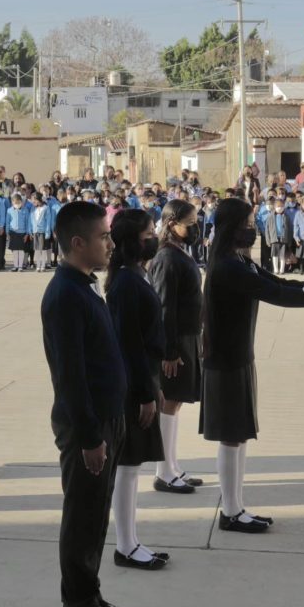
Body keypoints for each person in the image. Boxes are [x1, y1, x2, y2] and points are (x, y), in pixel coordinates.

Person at [202, 199, 304, 535]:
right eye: (248, 222)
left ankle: (237, 507)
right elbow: (276, 295)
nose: (252, 228)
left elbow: (282, 284)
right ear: (232, 227)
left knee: (239, 436)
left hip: (239, 357)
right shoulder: (228, 266)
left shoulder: (241, 261)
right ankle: (229, 511)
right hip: (226, 361)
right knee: (231, 437)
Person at [41, 201, 133, 607]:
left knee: (96, 515)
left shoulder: (84, 285)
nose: (110, 244)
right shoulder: (64, 296)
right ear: (77, 243)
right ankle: (77, 605)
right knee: (82, 517)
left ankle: (90, 593)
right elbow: (70, 377)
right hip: (87, 426)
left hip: (104, 420)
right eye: (103, 237)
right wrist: (90, 436)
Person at [104, 209, 170, 570]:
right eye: (148, 233)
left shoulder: (135, 276)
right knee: (128, 467)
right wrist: (145, 391)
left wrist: (153, 384)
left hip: (145, 378)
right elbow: (129, 344)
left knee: (133, 466)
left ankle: (132, 541)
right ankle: (126, 545)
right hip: (132, 385)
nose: (153, 236)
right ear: (133, 240)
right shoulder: (127, 282)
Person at [147, 199, 204, 494]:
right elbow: (164, 306)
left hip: (188, 337)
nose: (195, 227)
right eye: (190, 223)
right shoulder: (166, 258)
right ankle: (163, 471)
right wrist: (169, 351)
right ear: (172, 225)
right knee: (169, 402)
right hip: (176, 340)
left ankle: (172, 465)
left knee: (176, 402)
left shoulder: (179, 252)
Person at [266, 196, 294, 274]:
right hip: (274, 239)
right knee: (274, 255)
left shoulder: (286, 217)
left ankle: (282, 269)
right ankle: (275, 269)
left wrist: (289, 240)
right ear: (274, 207)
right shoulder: (270, 217)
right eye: (278, 206)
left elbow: (290, 229)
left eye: (281, 206)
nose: (280, 208)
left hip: (283, 239)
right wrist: (268, 240)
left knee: (283, 255)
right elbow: (267, 229)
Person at [7, 193, 31, 272]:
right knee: (14, 250)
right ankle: (15, 266)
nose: (17, 204)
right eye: (15, 203)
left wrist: (27, 233)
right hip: (13, 232)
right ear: (12, 202)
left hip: (22, 233)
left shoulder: (25, 210)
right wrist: (7, 233)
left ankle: (20, 266)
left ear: (21, 201)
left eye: (18, 202)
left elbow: (28, 222)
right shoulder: (9, 210)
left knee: (21, 250)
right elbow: (7, 222)